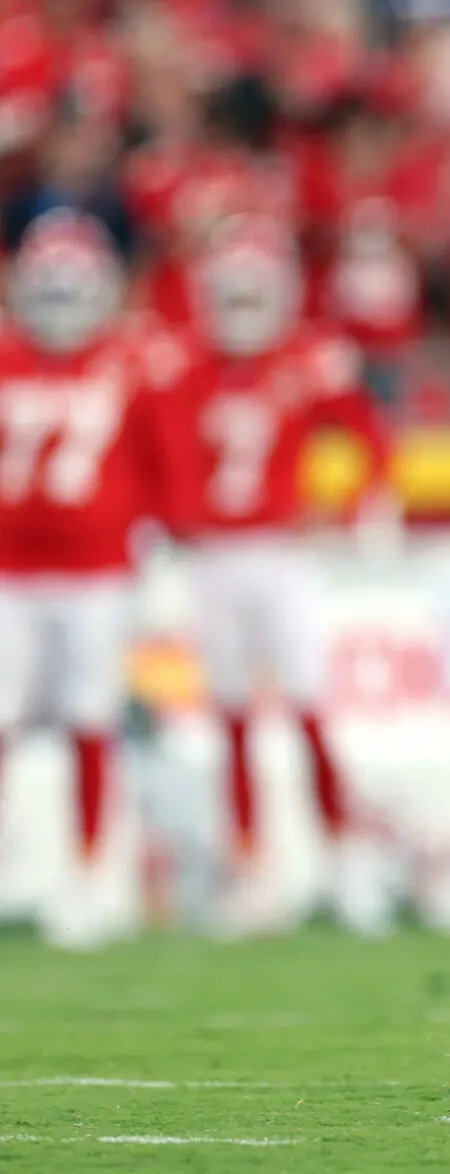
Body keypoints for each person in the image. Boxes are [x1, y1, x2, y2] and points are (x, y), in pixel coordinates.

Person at [180, 214, 393, 934]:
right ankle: (248, 871)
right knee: (232, 716)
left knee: (307, 706)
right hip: (214, 553)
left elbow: (368, 435)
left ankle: (346, 861)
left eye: (253, 297)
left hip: (280, 552)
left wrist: (340, 506)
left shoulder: (307, 358)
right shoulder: (186, 364)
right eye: (231, 297)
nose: (241, 313)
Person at [0, 214, 187, 947]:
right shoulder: (10, 355)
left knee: (89, 717)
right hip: (11, 569)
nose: (58, 301)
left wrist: (160, 548)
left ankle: (86, 875)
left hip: (98, 572)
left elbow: (162, 461)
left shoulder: (133, 361)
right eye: (48, 285)